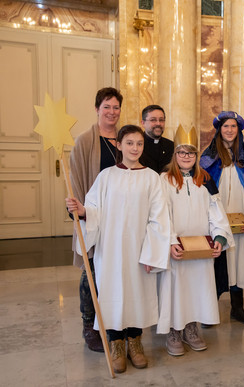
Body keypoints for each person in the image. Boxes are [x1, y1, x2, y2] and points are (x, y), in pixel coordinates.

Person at [65, 125, 170, 373]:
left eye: (139, 143)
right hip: (110, 250)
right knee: (112, 295)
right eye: (129, 143)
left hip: (139, 250)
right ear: (119, 146)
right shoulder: (106, 177)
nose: (135, 148)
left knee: (136, 295)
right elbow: (94, 210)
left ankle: (135, 342)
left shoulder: (152, 178)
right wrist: (82, 211)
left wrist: (152, 253)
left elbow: (160, 218)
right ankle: (116, 343)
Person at [157, 126, 234, 356]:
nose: (186, 157)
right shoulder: (165, 180)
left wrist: (219, 236)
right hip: (178, 249)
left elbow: (216, 211)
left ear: (196, 156)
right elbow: (160, 214)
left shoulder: (205, 179)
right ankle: (173, 331)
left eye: (190, 153)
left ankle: (191, 329)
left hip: (200, 249)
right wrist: (170, 242)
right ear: (175, 155)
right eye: (181, 152)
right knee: (175, 290)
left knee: (197, 289)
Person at [69, 87, 123, 352]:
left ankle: (112, 321)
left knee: (112, 269)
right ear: (97, 109)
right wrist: (79, 211)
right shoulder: (85, 141)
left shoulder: (125, 139)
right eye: (106, 107)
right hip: (92, 215)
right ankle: (89, 325)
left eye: (115, 107)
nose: (111, 112)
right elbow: (76, 178)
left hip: (119, 217)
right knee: (90, 269)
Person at [200, 111, 244, 325]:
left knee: (236, 262)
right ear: (219, 130)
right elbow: (202, 190)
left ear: (238, 131)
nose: (229, 130)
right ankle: (209, 311)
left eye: (233, 127)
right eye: (226, 126)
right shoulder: (209, 158)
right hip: (217, 220)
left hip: (239, 219)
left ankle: (237, 308)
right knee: (217, 262)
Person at [140, 104, 174, 173]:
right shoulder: (137, 146)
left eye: (161, 120)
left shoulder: (171, 146)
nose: (158, 123)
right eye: (153, 120)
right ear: (143, 123)